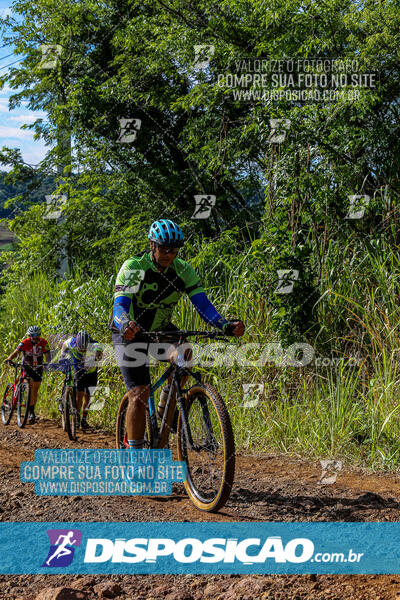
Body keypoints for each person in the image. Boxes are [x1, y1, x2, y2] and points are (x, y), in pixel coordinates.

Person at [111, 218, 245, 450]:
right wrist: (125, 324)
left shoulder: (183, 270)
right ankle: (135, 457)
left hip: (160, 331)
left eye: (174, 250)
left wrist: (224, 325)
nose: (169, 254)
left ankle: (165, 410)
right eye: (164, 248)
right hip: (130, 333)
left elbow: (203, 306)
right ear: (152, 245)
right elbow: (120, 306)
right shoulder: (135, 268)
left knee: (187, 355)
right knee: (139, 394)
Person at [4, 325, 51, 424]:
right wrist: (9, 359)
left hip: (38, 367)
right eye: (33, 335)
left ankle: (31, 411)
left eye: (37, 335)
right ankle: (30, 413)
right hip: (27, 367)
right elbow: (16, 352)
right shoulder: (24, 342)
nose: (35, 337)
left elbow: (47, 355)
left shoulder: (44, 343)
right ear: (29, 335)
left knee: (35, 391)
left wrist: (48, 363)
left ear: (39, 335)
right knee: (30, 384)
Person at [60, 330, 103, 430]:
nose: (82, 351)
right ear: (76, 343)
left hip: (91, 371)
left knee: (88, 396)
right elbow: (64, 346)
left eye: (85, 349)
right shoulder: (71, 342)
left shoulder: (95, 345)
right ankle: (77, 417)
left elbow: (100, 355)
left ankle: (84, 419)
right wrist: (63, 356)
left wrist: (95, 358)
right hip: (78, 369)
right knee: (79, 394)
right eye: (81, 349)